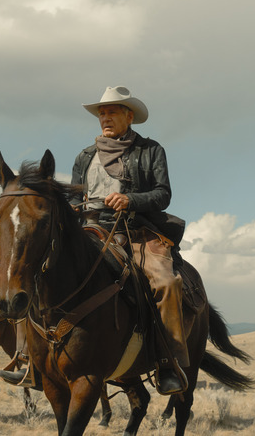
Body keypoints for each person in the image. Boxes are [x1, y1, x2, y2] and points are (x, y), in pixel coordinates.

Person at [73, 86, 188, 394]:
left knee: (166, 283)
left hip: (136, 231)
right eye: (102, 113)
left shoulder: (150, 150)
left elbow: (163, 194)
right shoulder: (84, 156)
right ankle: (31, 359)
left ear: (129, 115)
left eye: (112, 111)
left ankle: (168, 362)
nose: (105, 117)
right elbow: (74, 197)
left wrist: (130, 199)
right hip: (90, 231)